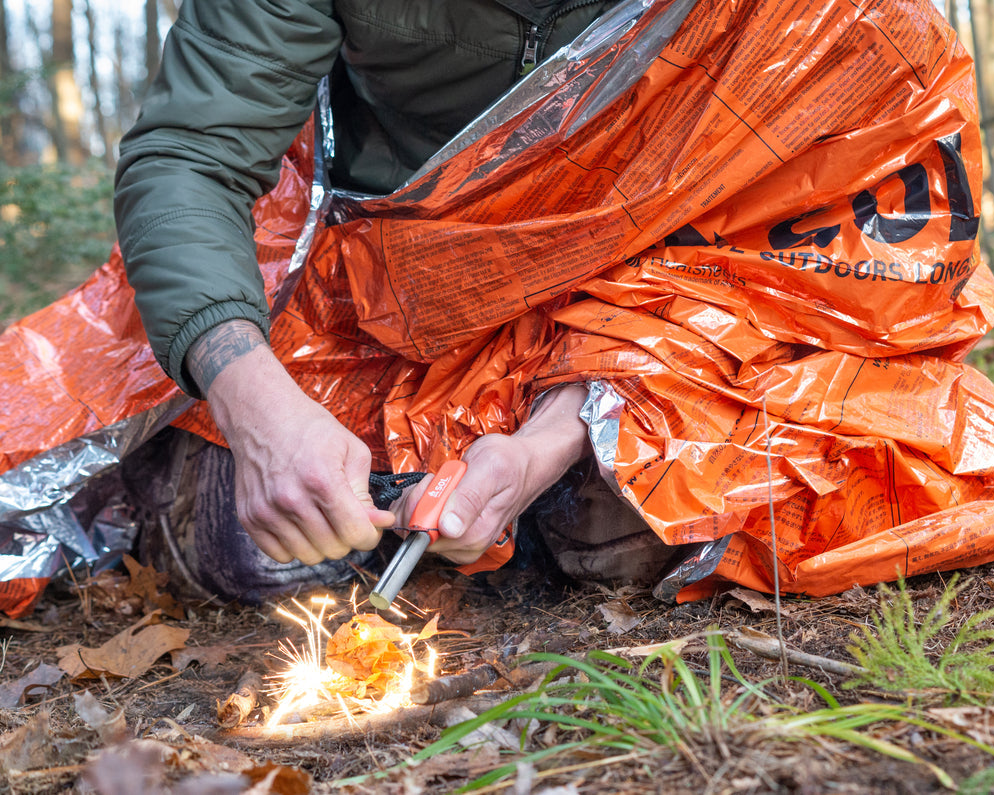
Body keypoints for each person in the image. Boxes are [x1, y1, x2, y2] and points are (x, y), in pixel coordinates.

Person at [113, 0, 636, 601]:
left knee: (645, 515)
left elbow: (740, 214)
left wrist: (554, 440)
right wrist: (256, 410)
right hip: (379, 276)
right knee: (254, 549)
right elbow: (190, 157)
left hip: (632, 288)